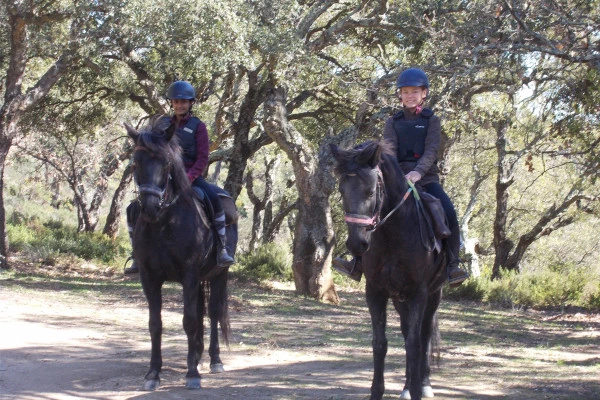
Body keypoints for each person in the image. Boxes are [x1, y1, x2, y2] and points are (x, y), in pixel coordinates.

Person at [332, 68, 469, 287]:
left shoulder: (431, 120)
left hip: (425, 178)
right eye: (405, 92)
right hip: (396, 178)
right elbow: (389, 151)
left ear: (424, 93)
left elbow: (432, 150)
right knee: (369, 208)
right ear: (400, 95)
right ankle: (356, 261)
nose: (410, 96)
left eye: (415, 91)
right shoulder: (392, 121)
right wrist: (396, 174)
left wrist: (418, 172)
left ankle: (453, 264)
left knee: (448, 210)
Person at [124, 80, 234, 274]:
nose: (179, 105)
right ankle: (136, 255)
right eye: (176, 102)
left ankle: (222, 248)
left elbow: (202, 158)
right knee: (133, 208)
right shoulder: (163, 124)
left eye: (183, 102)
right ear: (171, 103)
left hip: (192, 177)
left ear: (191, 103)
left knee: (215, 199)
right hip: (164, 178)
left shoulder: (198, 126)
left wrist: (189, 178)